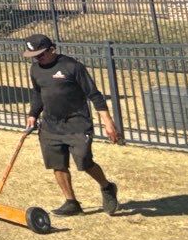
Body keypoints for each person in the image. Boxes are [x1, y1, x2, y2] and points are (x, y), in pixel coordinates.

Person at [23, 34, 121, 216]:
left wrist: (108, 122)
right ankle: (71, 202)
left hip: (77, 123)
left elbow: (94, 95)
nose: (37, 59)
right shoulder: (35, 70)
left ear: (52, 49)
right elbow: (38, 94)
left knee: (84, 161)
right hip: (51, 125)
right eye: (34, 56)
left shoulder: (72, 66)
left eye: (40, 54)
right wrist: (33, 114)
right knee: (57, 164)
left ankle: (107, 187)